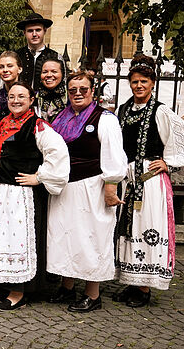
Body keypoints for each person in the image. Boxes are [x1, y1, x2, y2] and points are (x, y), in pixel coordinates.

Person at [114, 55, 184, 307]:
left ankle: (144, 288)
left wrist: (169, 162)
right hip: (129, 181)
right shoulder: (123, 110)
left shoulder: (161, 111)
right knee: (129, 229)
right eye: (134, 82)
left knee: (147, 228)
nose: (138, 86)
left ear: (152, 83)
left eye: (143, 81)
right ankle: (131, 281)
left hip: (151, 181)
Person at [0, 83, 69, 311]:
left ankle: (20, 291)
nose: (15, 100)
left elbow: (58, 152)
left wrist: (40, 176)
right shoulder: (4, 123)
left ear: (31, 99)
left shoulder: (37, 125)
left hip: (20, 193)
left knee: (19, 240)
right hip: (0, 190)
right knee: (3, 237)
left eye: (21, 96)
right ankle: (7, 282)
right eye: (11, 96)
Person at [46, 71, 127, 312]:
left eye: (83, 89)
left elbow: (113, 155)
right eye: (73, 90)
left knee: (92, 237)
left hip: (92, 186)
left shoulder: (105, 119)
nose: (78, 93)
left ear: (93, 91)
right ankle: (67, 286)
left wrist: (111, 186)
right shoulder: (61, 117)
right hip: (65, 187)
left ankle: (93, 294)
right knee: (64, 236)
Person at [15, 12, 60, 90]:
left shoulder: (55, 57)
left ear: (44, 31)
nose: (34, 34)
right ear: (24, 32)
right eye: (30, 31)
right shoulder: (16, 56)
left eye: (38, 30)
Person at [0, 51, 24, 119]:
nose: (5, 70)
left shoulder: (27, 94)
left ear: (19, 69)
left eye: (10, 66)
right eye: (1, 67)